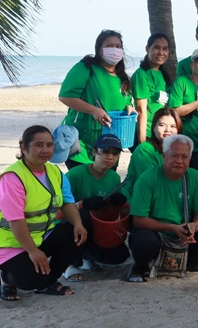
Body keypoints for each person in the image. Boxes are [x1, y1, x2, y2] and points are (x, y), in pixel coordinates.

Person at [0, 126, 87, 300]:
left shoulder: (55, 172)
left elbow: (67, 202)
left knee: (76, 235)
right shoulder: (13, 178)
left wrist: (78, 224)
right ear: (23, 147)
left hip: (38, 237)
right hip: (6, 244)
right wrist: (32, 251)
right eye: (39, 145)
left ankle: (47, 282)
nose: (45, 150)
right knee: (32, 280)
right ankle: (6, 279)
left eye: (49, 145)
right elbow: (16, 220)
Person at [127, 135, 198, 282]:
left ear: (190, 159)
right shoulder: (147, 178)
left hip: (183, 233)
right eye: (174, 156)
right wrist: (171, 228)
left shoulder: (196, 177)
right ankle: (140, 267)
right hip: (156, 232)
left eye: (184, 157)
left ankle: (190, 263)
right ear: (164, 156)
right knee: (145, 240)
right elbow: (138, 220)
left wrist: (194, 225)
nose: (179, 161)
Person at [58, 29, 134, 166]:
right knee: (82, 178)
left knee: (106, 180)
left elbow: (127, 99)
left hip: (110, 145)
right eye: (109, 46)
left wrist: (129, 107)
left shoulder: (122, 77)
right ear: (99, 49)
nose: (115, 50)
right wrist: (93, 110)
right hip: (81, 143)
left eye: (118, 46)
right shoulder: (86, 68)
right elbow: (65, 96)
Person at [62, 134, 130, 282]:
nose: (110, 157)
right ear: (94, 152)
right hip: (69, 225)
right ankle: (68, 264)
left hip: (96, 227)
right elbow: (57, 209)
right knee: (84, 215)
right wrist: (82, 204)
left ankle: (86, 255)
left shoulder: (114, 177)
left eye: (115, 153)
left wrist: (118, 201)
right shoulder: (75, 175)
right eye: (105, 151)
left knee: (119, 256)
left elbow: (113, 211)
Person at [123, 108, 182, 202]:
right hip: (140, 203)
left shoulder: (176, 151)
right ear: (154, 127)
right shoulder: (145, 150)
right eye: (162, 125)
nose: (167, 130)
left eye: (173, 126)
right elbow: (152, 185)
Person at [131, 33, 172, 144]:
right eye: (156, 48)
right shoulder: (141, 75)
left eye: (165, 49)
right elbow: (141, 110)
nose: (161, 53)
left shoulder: (162, 73)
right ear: (147, 48)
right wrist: (142, 142)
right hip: (149, 134)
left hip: (162, 133)